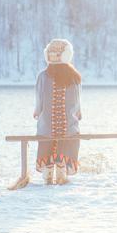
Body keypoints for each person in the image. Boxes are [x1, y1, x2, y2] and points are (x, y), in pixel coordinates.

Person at [34, 39, 82, 185]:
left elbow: (39, 98)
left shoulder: (43, 76)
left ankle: (48, 176)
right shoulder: (74, 76)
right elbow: (77, 100)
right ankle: (61, 174)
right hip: (68, 127)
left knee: (47, 138)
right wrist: (78, 113)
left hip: (48, 126)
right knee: (68, 138)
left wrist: (37, 111)